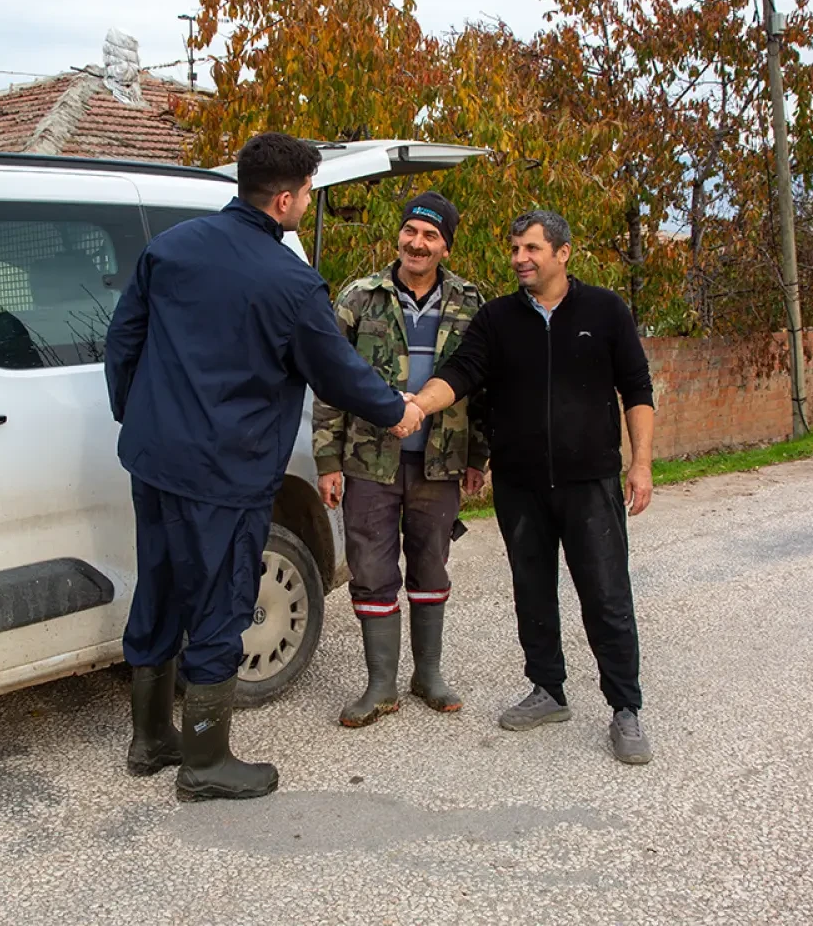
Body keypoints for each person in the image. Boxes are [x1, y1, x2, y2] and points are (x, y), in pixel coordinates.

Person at [105, 132, 423, 801]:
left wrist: (136, 414)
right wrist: (395, 409)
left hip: (154, 460)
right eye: (307, 193)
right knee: (221, 600)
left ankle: (150, 739)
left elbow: (124, 337)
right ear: (285, 199)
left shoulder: (170, 248)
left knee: (159, 586)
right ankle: (204, 763)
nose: (307, 203)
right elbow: (336, 371)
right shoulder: (291, 282)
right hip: (226, 472)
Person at [395, 210, 657, 765]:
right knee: (531, 591)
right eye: (515, 248)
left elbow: (637, 388)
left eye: (532, 248)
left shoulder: (605, 310)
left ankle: (625, 708)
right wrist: (418, 405)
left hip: (590, 483)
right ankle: (547, 690)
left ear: (562, 253)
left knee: (606, 594)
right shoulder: (497, 318)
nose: (520, 259)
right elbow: (460, 372)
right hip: (520, 485)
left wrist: (641, 464)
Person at [312, 191, 489, 728]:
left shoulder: (470, 302)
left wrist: (479, 455)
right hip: (369, 460)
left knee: (431, 564)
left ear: (445, 246)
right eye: (411, 231)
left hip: (440, 461)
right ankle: (381, 685)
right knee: (371, 567)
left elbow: (484, 385)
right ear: (399, 236)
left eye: (431, 235)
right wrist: (327, 460)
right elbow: (329, 381)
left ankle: (427, 674)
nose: (418, 243)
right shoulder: (359, 298)